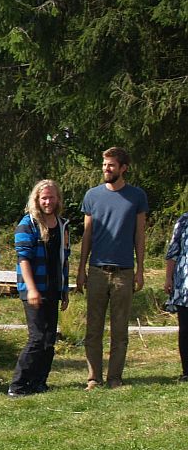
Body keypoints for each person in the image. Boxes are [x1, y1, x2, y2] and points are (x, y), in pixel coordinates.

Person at [75, 147, 148, 390]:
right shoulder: (92, 195)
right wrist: (81, 269)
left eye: (111, 165)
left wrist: (140, 269)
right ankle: (93, 378)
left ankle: (115, 377)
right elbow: (87, 235)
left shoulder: (137, 196)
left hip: (124, 272)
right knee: (93, 328)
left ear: (123, 168)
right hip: (97, 270)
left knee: (120, 329)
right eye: (104, 165)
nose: (106, 169)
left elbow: (140, 235)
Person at [7, 179, 70, 397]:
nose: (48, 202)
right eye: (44, 198)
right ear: (36, 199)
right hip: (33, 288)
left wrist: (64, 291)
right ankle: (18, 385)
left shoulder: (62, 225)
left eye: (51, 197)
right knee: (37, 338)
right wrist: (32, 289)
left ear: (58, 199)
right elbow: (23, 259)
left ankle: (39, 382)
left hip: (53, 288)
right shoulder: (28, 224)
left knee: (49, 339)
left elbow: (64, 260)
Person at [164, 212, 188, 382]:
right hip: (184, 286)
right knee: (185, 330)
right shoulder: (184, 220)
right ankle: (187, 371)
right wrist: (168, 278)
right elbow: (173, 252)